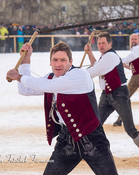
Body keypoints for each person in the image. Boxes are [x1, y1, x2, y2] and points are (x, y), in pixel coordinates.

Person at [6, 41, 118, 175]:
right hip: (67, 140)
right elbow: (25, 89)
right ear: (50, 62)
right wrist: (26, 59)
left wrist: (18, 76)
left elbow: (45, 85)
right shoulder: (51, 79)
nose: (58, 64)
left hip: (92, 139)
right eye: (55, 60)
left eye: (63, 60)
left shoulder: (80, 75)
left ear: (71, 62)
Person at [84, 32, 139, 159]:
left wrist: (75, 74)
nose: (101, 45)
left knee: (129, 128)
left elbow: (93, 71)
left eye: (103, 43)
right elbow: (96, 66)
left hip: (119, 95)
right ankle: (90, 151)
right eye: (99, 43)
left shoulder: (110, 57)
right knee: (96, 124)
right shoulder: (104, 57)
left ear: (110, 44)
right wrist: (89, 53)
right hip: (106, 95)